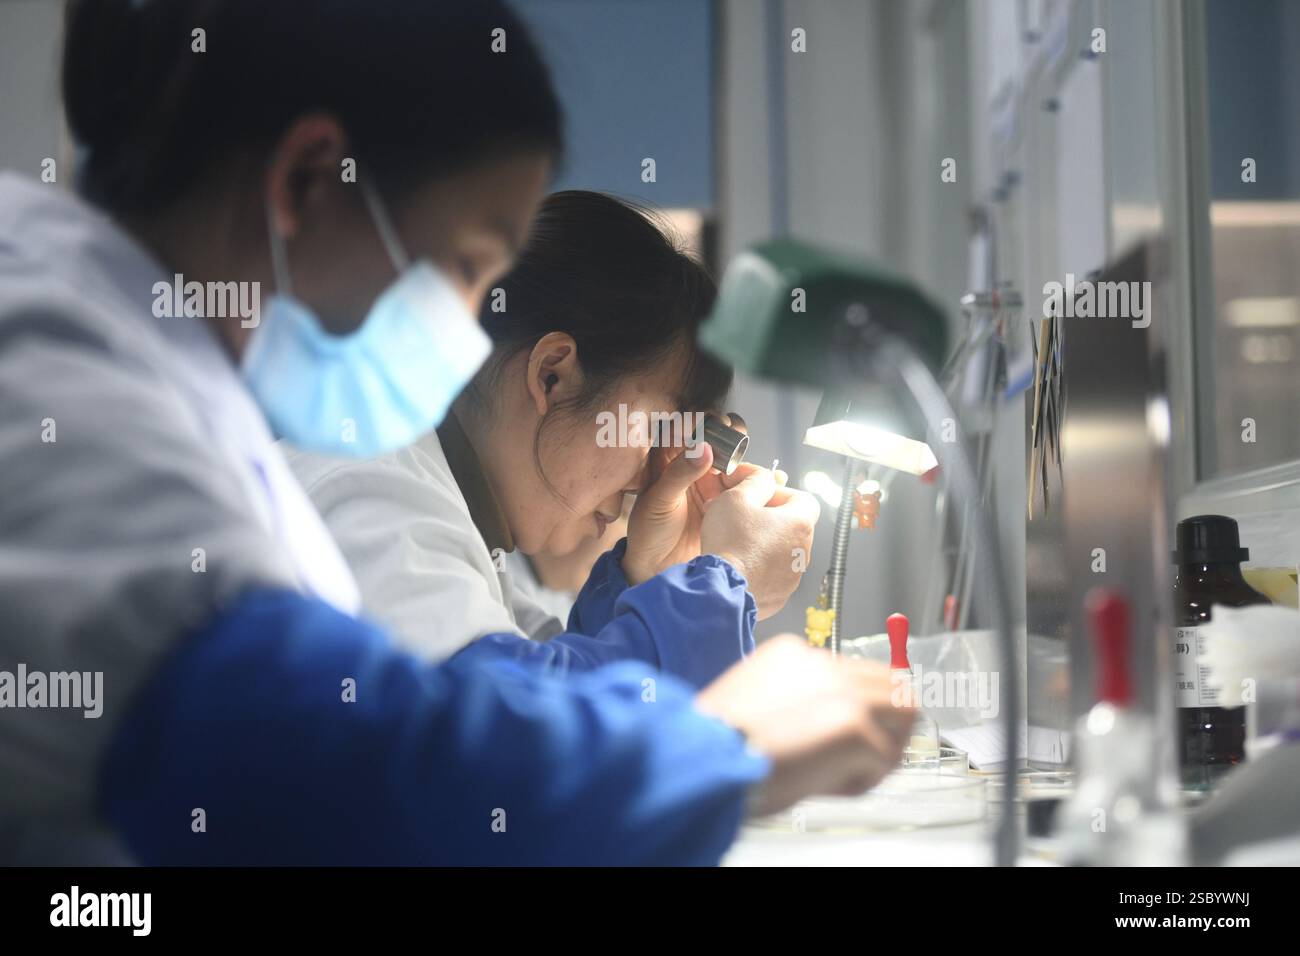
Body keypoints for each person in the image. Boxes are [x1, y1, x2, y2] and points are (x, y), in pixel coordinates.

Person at [0, 0, 913, 866]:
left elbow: (498, 697)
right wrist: (725, 740)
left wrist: (654, 592)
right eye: (470, 265)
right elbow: (361, 772)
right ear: (312, 183)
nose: (475, 325)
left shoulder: (154, 375)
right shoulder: (64, 385)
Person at [287, 190, 818, 687]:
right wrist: (724, 584)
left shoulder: (450, 512)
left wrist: (648, 577)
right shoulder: (372, 490)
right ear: (551, 375)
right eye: (659, 431)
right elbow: (512, 734)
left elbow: (558, 682)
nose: (655, 478)